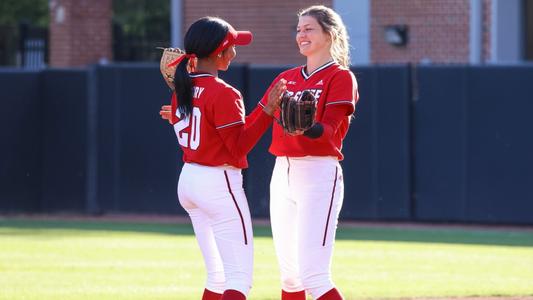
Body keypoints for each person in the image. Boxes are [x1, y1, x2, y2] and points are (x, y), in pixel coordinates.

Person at [159, 17, 286, 300]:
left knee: (217, 275)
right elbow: (238, 147)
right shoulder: (224, 92)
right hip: (218, 183)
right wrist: (267, 109)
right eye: (232, 46)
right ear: (219, 52)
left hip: (190, 180)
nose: (235, 52)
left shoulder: (182, 88)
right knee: (239, 279)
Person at [253, 5, 360, 300]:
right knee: (290, 277)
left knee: (314, 276)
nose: (301, 34)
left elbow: (330, 130)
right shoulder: (286, 77)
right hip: (282, 172)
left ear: (330, 34)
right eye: (299, 29)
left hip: (318, 173)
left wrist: (307, 128)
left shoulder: (340, 77)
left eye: (309, 28)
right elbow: (255, 120)